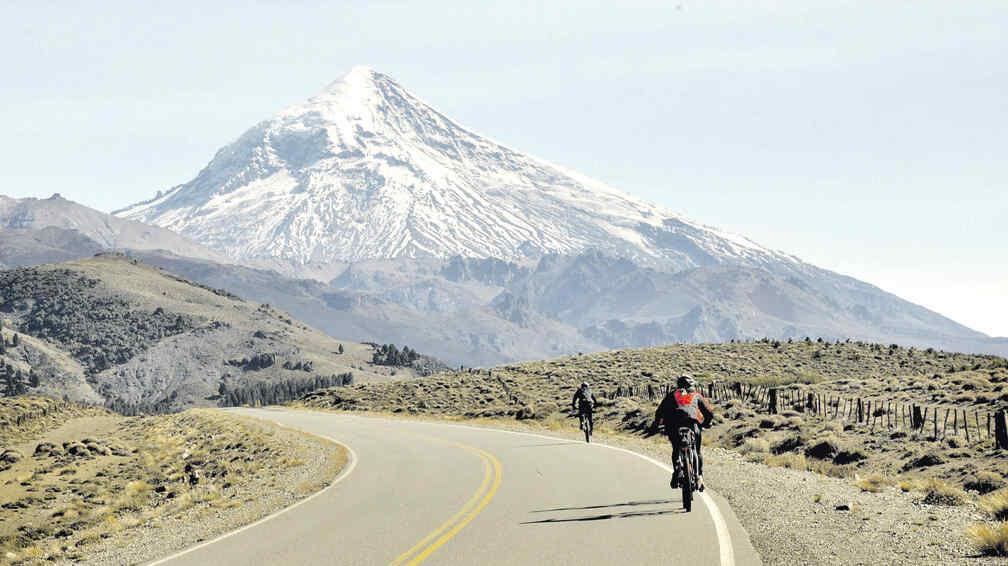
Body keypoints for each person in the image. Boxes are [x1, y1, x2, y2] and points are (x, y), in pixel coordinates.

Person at [651, 374, 715, 490]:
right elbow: (709, 412)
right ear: (692, 385)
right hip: (692, 424)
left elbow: (660, 411)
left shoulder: (672, 395)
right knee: (696, 449)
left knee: (676, 448)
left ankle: (676, 472)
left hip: (674, 425)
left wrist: (656, 425)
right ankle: (699, 476)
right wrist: (707, 423)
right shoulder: (696, 395)